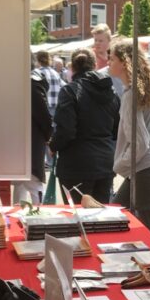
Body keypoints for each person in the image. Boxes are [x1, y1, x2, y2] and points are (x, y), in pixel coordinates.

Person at [109, 40, 150, 239]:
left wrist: (119, 164)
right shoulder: (137, 91)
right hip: (147, 170)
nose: (109, 62)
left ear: (124, 63)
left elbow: (140, 142)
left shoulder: (131, 94)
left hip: (145, 172)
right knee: (118, 214)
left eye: (113, 58)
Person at [50, 48, 121, 205]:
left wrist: (53, 146)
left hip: (75, 165)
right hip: (105, 163)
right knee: (101, 218)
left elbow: (66, 130)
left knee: (78, 218)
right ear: (94, 65)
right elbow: (117, 129)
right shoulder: (111, 92)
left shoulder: (69, 91)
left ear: (72, 67)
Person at [12, 73, 55, 205]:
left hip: (18, 139)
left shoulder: (21, 82)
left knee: (21, 183)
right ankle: (38, 216)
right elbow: (45, 117)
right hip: (32, 141)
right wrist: (49, 136)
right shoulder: (34, 86)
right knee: (33, 182)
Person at [92, 22, 125, 98]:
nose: (97, 43)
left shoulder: (116, 57)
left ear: (109, 41)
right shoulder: (91, 57)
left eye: (100, 41)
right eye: (95, 40)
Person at [33, 50, 65, 118]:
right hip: (56, 107)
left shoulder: (37, 73)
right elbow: (65, 86)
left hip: (44, 108)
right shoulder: (56, 73)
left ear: (38, 60)